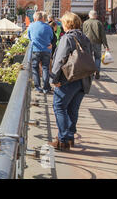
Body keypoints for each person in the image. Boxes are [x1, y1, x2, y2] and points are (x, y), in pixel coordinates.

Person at [50, 12, 93, 151]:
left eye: (63, 23)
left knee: (59, 106)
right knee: (73, 109)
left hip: (69, 79)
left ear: (67, 24)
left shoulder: (67, 38)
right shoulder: (85, 38)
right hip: (84, 79)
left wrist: (54, 79)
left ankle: (63, 139)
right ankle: (69, 138)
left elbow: (60, 60)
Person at [28, 11, 54, 94]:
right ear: (42, 18)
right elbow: (51, 37)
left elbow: (29, 37)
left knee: (35, 68)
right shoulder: (48, 27)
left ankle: (38, 87)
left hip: (35, 50)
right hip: (46, 50)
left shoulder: (31, 26)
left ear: (35, 18)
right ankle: (46, 87)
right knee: (45, 68)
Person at [82, 11, 109, 80]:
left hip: (87, 43)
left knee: (89, 58)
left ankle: (90, 73)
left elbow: (83, 34)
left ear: (89, 15)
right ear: (96, 16)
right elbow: (103, 35)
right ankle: (97, 71)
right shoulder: (99, 23)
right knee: (97, 58)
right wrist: (105, 45)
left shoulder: (85, 23)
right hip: (97, 42)